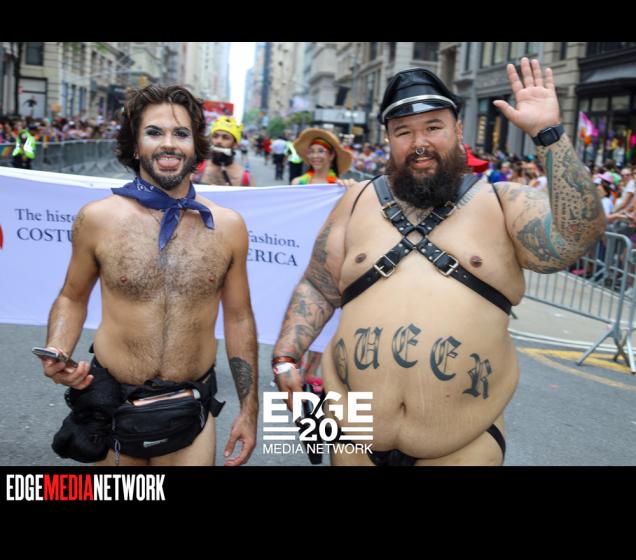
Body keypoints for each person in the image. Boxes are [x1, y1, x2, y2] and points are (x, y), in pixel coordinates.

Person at [272, 59, 605, 466]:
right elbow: (318, 286)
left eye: (433, 127)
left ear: (458, 130)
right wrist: (286, 356)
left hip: (460, 446)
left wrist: (549, 134)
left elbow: (574, 239)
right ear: (389, 139)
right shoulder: (356, 200)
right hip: (352, 439)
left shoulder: (503, 202)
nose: (420, 143)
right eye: (404, 132)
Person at [37, 84, 258, 467]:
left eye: (181, 133)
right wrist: (57, 349)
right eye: (154, 132)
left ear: (196, 146)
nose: (168, 143)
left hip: (190, 409)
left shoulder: (228, 226)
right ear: (136, 145)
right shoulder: (98, 218)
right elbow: (72, 296)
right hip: (112, 407)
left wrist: (249, 410)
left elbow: (239, 318)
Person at [288, 128, 353, 390]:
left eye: (321, 151)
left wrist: (348, 190)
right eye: (312, 151)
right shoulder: (298, 184)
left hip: (327, 256)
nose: (316, 155)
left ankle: (311, 369)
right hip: (299, 254)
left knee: (324, 313)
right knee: (299, 312)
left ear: (331, 156)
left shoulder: (341, 187)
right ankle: (292, 367)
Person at [198, 116, 251, 186]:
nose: (218, 141)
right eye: (215, 136)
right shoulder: (197, 168)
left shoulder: (244, 177)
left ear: (235, 144)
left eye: (225, 138)